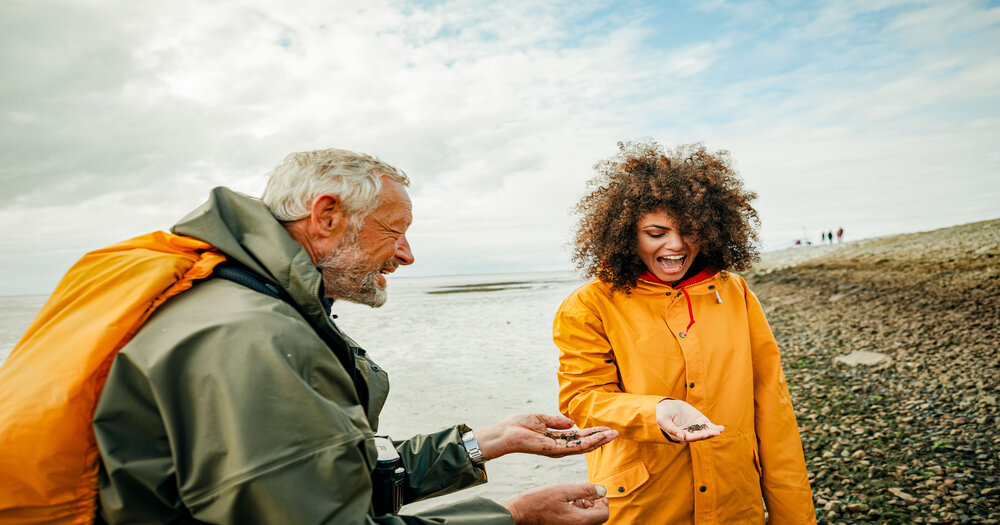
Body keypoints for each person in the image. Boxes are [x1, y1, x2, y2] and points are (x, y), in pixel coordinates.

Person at [33, 148, 617, 524]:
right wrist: (514, 515)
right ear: (327, 216)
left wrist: (482, 443)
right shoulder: (254, 336)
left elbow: (325, 474)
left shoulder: (225, 298)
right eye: (395, 233)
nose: (408, 254)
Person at [553, 142, 816, 524]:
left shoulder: (735, 293)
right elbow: (582, 398)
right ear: (627, 234)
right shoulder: (590, 303)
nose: (675, 245)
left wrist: (795, 517)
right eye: (656, 233)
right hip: (644, 505)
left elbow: (773, 408)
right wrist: (654, 411)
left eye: (689, 231)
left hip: (735, 498)